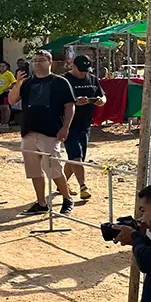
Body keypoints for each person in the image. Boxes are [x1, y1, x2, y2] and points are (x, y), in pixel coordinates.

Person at [8, 49, 77, 215]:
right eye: (34, 61)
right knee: (34, 171)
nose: (37, 64)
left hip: (50, 132)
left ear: (50, 62)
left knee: (54, 169)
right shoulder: (27, 83)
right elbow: (12, 100)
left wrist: (65, 126)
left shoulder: (60, 82)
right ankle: (41, 203)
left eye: (41, 60)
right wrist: (18, 83)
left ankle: (67, 198)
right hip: (29, 131)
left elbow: (70, 105)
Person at [63, 55, 107, 202]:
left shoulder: (93, 79)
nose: (84, 74)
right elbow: (57, 101)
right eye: (81, 70)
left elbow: (102, 95)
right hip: (68, 124)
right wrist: (74, 102)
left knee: (75, 158)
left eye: (86, 70)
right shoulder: (64, 80)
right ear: (72, 66)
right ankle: (83, 186)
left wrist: (100, 101)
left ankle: (61, 183)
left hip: (85, 124)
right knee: (77, 156)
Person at [0, 61, 16, 129]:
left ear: (6, 67)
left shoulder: (8, 74)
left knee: (6, 108)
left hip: (5, 94)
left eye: (3, 66)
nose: (2, 68)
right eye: (0, 66)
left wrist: (8, 88)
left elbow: (14, 83)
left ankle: (6, 123)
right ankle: (2, 122)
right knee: (1, 108)